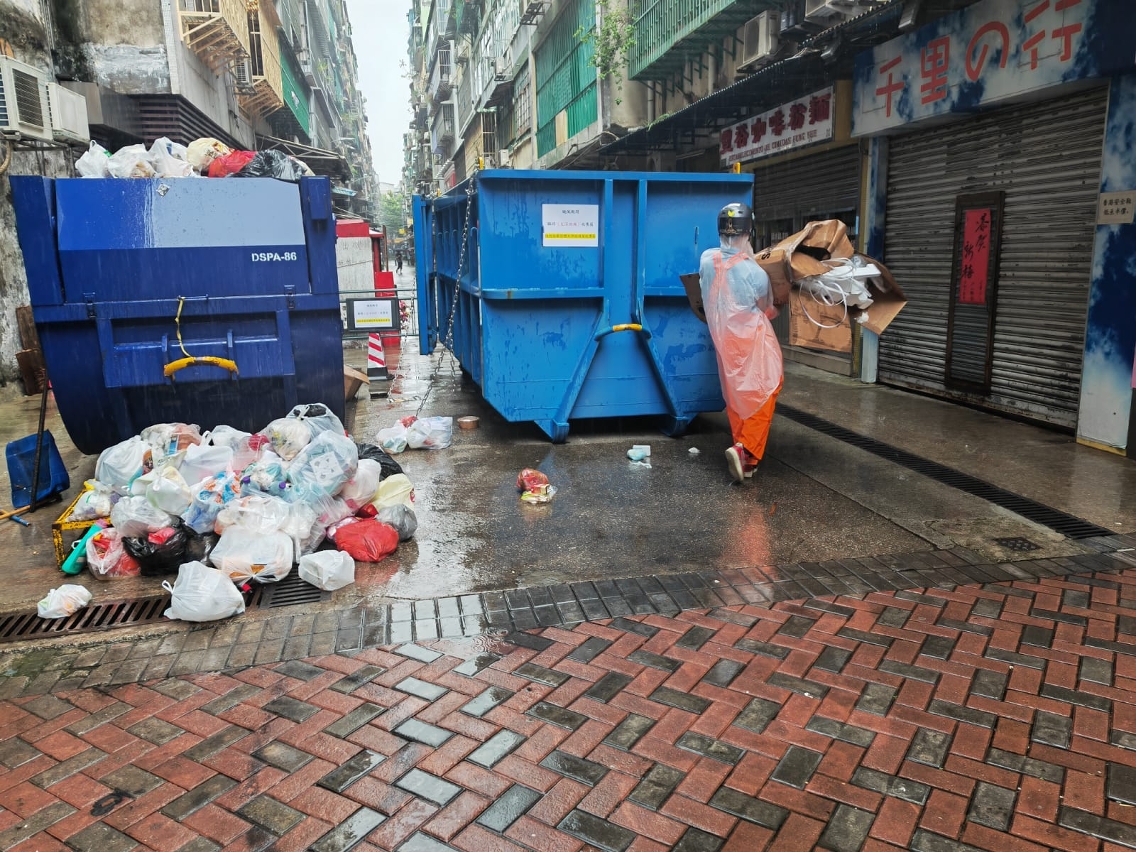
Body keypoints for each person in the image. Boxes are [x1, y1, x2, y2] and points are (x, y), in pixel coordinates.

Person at [699, 202, 784, 484]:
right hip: (752, 341)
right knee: (765, 389)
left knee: (736, 394)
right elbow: (767, 308)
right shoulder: (754, 273)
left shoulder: (707, 260)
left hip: (724, 340)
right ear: (749, 232)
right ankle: (745, 450)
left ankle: (745, 460)